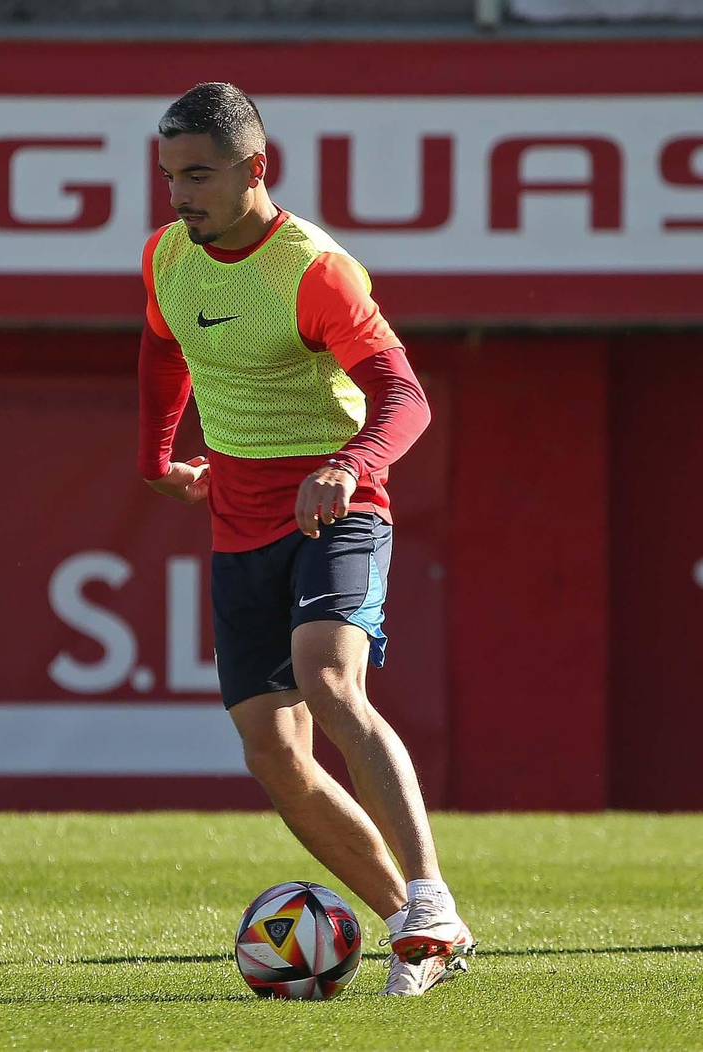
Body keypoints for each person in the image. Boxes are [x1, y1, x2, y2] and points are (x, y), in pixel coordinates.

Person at [139, 83, 472, 996]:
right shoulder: (169, 255)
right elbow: (164, 347)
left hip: (337, 507)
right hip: (237, 522)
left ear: (256, 169)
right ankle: (418, 933)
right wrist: (158, 454)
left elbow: (408, 398)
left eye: (199, 175)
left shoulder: (315, 269)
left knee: (328, 677)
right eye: (169, 175)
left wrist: (350, 462)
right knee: (274, 756)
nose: (179, 195)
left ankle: (430, 894)